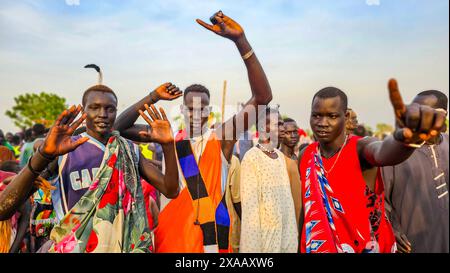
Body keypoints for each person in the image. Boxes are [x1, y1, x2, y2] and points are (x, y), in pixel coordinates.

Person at [114, 11, 273, 253]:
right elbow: (118, 128)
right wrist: (153, 97)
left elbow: (263, 97)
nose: (197, 112)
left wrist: (241, 41)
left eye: (202, 107)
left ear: (209, 111)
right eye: (191, 107)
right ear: (182, 110)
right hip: (172, 239)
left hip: (211, 242)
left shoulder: (221, 139)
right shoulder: (167, 138)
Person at [0, 73, 180, 253]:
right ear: (84, 111)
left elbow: (171, 190)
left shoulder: (129, 150)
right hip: (75, 246)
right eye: (94, 107)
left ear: (116, 112)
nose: (102, 114)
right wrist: (43, 155)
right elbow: (4, 209)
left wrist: (167, 146)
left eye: (110, 109)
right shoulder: (64, 150)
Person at [298, 80, 447, 253]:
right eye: (316, 115)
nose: (322, 122)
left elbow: (383, 152)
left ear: (345, 117)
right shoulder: (306, 155)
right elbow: (307, 212)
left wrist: (406, 140)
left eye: (332, 116)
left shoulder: (361, 148)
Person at [382, 90, 448, 253]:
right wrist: (393, 229)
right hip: (412, 243)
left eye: (421, 111)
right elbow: (379, 199)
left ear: (440, 116)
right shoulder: (396, 151)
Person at [240, 108, 298, 253]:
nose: (282, 128)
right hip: (264, 243)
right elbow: (250, 212)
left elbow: (288, 204)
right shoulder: (252, 158)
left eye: (281, 124)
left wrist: (292, 241)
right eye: (276, 124)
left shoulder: (279, 157)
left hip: (285, 239)